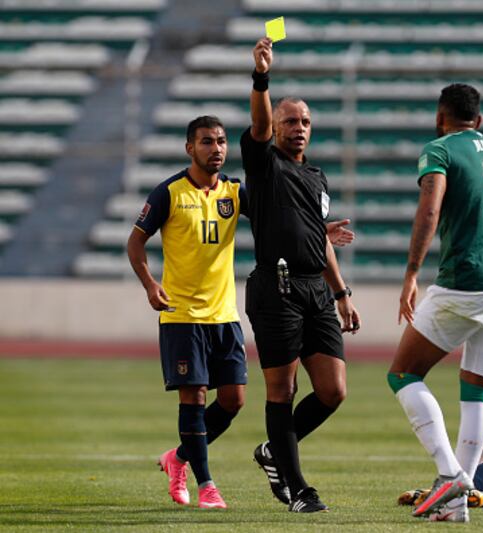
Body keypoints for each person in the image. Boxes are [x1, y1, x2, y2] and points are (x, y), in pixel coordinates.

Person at [387, 83, 483, 523]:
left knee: (403, 374)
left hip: (467, 280)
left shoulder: (441, 149)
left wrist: (411, 274)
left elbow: (430, 209)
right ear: (479, 121)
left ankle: (450, 476)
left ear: (439, 118)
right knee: (476, 391)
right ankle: (456, 503)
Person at [241, 38, 361, 514]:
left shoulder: (317, 177)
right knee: (282, 390)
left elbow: (320, 240)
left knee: (332, 390)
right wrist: (261, 77)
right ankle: (295, 488)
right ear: (276, 126)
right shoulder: (263, 164)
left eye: (305, 121)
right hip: (278, 287)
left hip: (316, 288)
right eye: (290, 121)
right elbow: (256, 123)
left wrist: (342, 293)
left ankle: (273, 452)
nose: (299, 128)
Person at [127, 115, 246, 509]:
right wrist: (150, 284)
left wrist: (318, 231)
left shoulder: (234, 191)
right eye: (207, 142)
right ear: (189, 148)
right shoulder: (170, 192)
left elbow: (278, 222)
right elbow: (135, 242)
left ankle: (177, 458)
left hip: (225, 315)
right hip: (182, 315)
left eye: (222, 141)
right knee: (193, 397)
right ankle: (207, 485)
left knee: (233, 400)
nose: (217, 149)